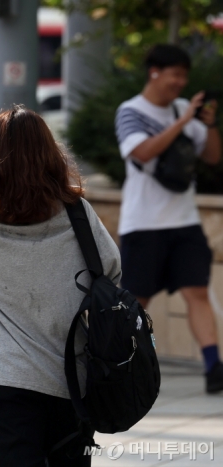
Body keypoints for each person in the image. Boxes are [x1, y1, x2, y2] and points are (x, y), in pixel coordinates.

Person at [0, 106, 121, 466]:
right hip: (71, 383)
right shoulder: (78, 215)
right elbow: (110, 274)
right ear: (50, 154)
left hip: (3, 384)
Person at [115, 44, 223, 394]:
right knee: (137, 301)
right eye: (175, 74)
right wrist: (182, 121)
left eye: (184, 75)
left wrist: (208, 127)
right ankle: (121, 366)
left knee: (197, 293)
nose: (181, 82)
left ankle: (213, 367)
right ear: (154, 72)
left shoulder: (184, 111)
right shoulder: (130, 111)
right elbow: (142, 151)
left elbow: (212, 156)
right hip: (144, 224)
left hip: (184, 220)